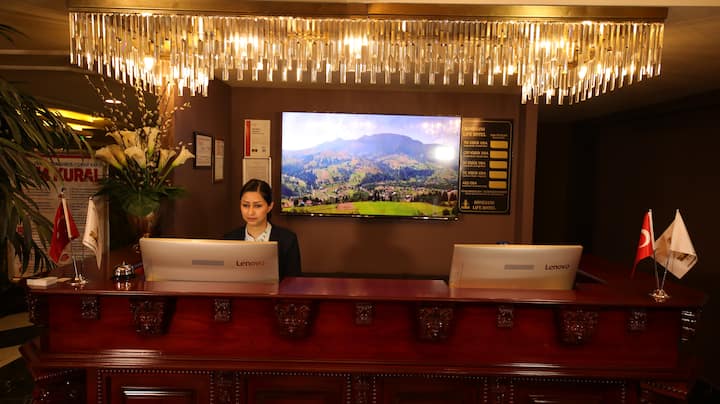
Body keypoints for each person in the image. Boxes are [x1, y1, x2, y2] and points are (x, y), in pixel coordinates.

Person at [225, 179, 302, 280]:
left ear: (269, 206)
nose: (250, 212)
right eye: (245, 205)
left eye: (257, 206)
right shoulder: (229, 239)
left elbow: (293, 282)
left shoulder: (288, 240)